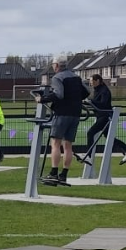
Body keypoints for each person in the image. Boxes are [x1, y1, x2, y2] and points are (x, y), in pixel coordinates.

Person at [34, 54, 90, 185]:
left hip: (62, 113)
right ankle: (64, 175)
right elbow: (86, 92)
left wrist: (42, 99)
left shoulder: (57, 77)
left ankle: (53, 172)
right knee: (68, 146)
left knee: (55, 144)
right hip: (75, 113)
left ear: (57, 65)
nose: (53, 66)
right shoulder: (76, 77)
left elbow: (59, 94)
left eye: (53, 64)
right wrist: (75, 100)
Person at [85, 74, 126, 165]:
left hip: (105, 117)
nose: (90, 83)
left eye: (92, 81)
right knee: (109, 138)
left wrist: (91, 102)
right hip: (101, 116)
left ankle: (89, 157)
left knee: (90, 133)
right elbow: (97, 103)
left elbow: (103, 103)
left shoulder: (104, 91)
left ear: (98, 81)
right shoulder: (98, 90)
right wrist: (88, 103)